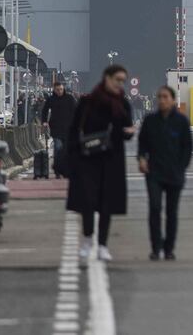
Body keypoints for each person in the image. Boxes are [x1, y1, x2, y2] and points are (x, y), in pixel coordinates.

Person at [66, 65, 135, 266]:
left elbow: (124, 130)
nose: (120, 84)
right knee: (88, 201)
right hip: (88, 158)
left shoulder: (123, 104)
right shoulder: (88, 102)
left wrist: (128, 133)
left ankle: (103, 245)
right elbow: (74, 129)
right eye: (117, 79)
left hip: (112, 159)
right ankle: (88, 239)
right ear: (107, 78)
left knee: (107, 203)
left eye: (123, 80)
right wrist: (71, 156)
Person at [137, 86, 192, 261]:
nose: (162, 100)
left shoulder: (181, 121)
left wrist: (181, 167)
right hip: (154, 172)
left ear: (173, 100)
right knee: (154, 208)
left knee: (171, 211)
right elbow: (142, 143)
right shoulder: (150, 120)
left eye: (165, 97)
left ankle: (168, 248)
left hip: (174, 173)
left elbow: (187, 147)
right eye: (159, 97)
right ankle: (155, 247)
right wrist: (141, 159)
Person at [41, 82, 77, 179]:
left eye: (61, 89)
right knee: (58, 147)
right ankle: (57, 170)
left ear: (63, 89)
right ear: (54, 90)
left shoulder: (69, 98)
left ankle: (66, 169)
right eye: (57, 90)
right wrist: (44, 121)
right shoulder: (51, 99)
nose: (60, 91)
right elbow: (44, 110)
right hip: (56, 128)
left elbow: (77, 111)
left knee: (67, 150)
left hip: (69, 128)